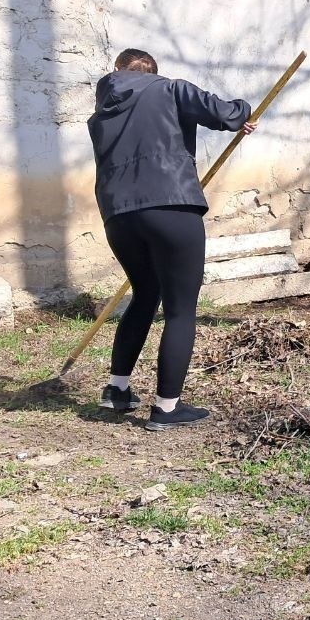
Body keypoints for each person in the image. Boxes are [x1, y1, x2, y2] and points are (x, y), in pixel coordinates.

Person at [87, 49, 256, 430]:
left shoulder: (100, 115)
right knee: (180, 307)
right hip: (171, 206)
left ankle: (117, 390)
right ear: (152, 73)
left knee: (146, 294)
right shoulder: (170, 89)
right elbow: (225, 113)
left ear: (118, 71)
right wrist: (243, 111)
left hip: (118, 216)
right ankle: (167, 407)